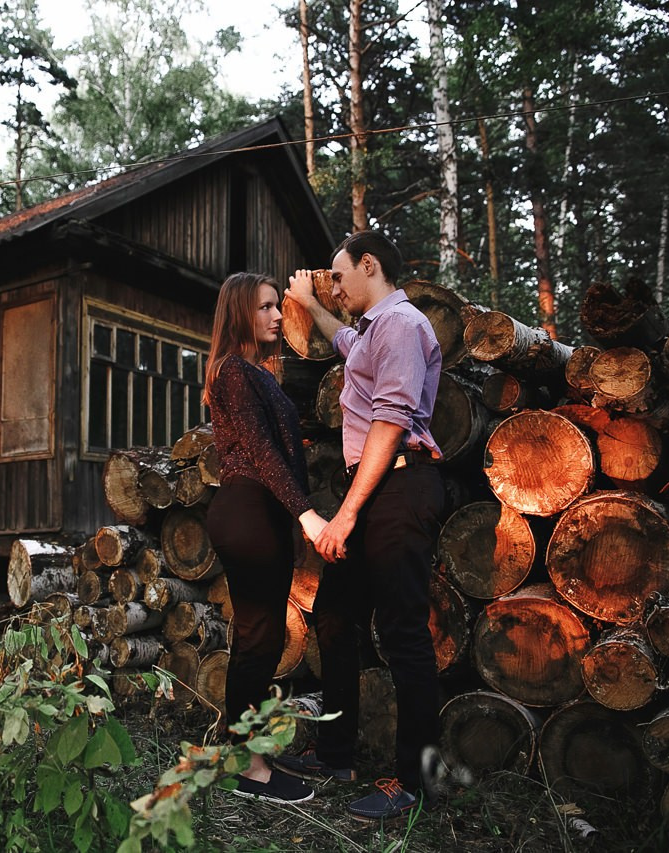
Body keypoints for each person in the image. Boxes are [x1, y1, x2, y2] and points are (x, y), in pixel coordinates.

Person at [273, 231, 446, 820]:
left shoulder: (400, 325)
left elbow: (390, 421)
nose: (335, 287)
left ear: (369, 265)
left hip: (398, 484)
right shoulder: (375, 331)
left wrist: (346, 514)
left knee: (403, 633)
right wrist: (311, 305)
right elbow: (348, 343)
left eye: (339, 276)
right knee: (334, 614)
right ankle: (337, 753)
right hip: (376, 486)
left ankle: (416, 783)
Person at [202, 272, 329, 805]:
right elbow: (261, 451)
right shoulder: (233, 370)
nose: (278, 316)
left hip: (260, 512)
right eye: (265, 307)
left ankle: (245, 755)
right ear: (239, 313)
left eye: (278, 306)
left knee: (264, 637)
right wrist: (307, 515)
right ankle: (247, 766)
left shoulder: (257, 371)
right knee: (260, 638)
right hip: (247, 508)